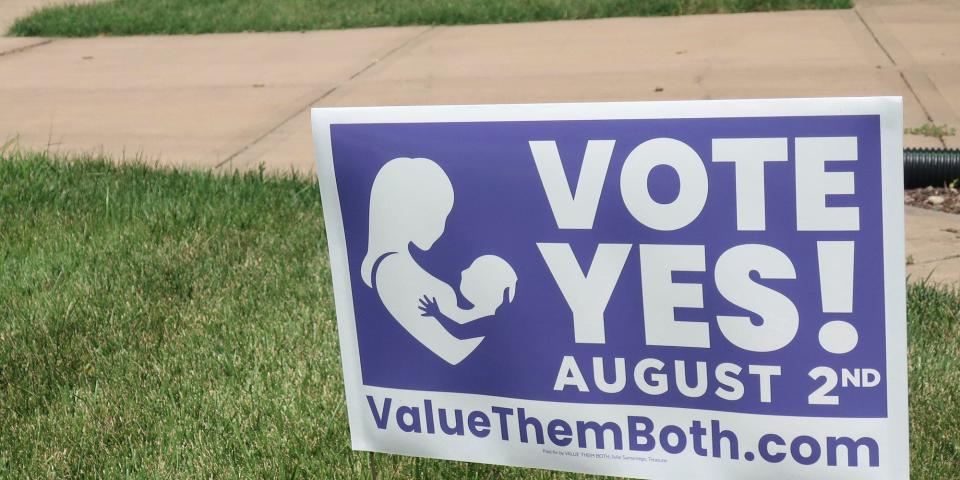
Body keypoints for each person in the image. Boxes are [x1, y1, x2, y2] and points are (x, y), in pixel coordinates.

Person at [360, 157, 514, 365]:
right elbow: (454, 351)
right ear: (407, 211)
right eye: (438, 215)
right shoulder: (391, 271)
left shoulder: (398, 268)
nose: (442, 228)